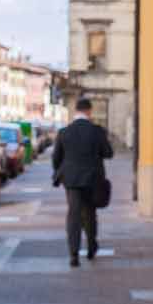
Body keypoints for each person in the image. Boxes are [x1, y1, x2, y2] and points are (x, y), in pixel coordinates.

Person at [51, 98, 114, 267]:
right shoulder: (97, 131)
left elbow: (56, 158)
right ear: (89, 111)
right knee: (90, 213)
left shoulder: (64, 132)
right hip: (93, 179)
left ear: (76, 111)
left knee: (74, 215)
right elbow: (108, 153)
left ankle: (73, 254)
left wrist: (61, 171)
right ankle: (92, 246)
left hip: (71, 180)